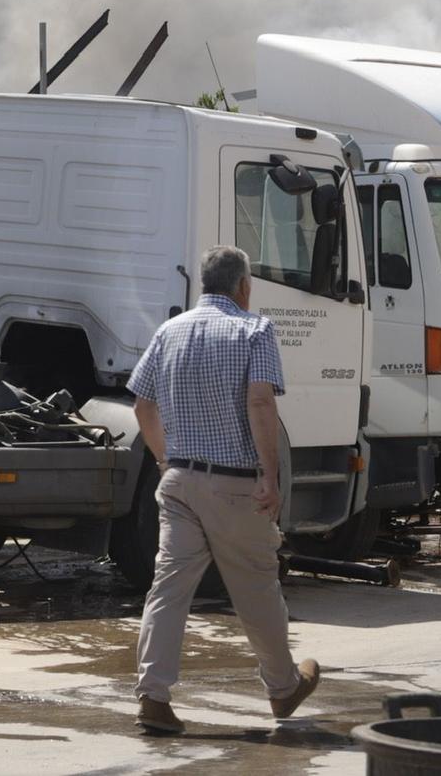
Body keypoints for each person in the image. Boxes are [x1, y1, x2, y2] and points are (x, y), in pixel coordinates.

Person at [128, 244, 320, 735]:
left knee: (168, 591)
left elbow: (142, 406)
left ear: (203, 285)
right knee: (256, 587)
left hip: (178, 484)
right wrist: (270, 478)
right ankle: (282, 689)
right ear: (244, 286)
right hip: (233, 485)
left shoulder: (169, 331)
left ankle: (153, 697)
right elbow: (260, 403)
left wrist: (165, 458)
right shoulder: (254, 330)